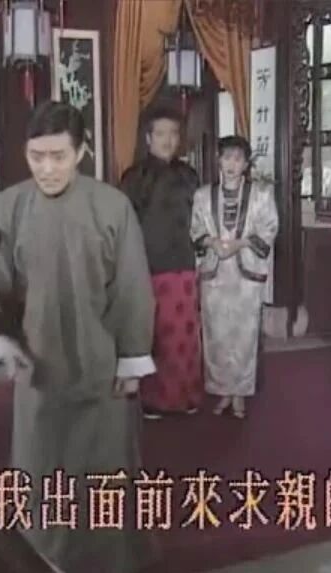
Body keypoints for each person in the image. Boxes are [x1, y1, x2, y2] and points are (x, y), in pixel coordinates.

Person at [0, 101, 156, 573]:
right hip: (38, 368)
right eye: (36, 156)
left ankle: (111, 560)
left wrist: (132, 357)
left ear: (81, 152)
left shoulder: (112, 206)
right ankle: (42, 559)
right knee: (40, 471)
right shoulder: (8, 206)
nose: (47, 168)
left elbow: (132, 287)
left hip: (102, 368)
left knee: (104, 474)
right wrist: (3, 338)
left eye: (58, 156)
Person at [118, 106, 203, 420]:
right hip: (149, 267)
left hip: (186, 263)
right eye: (161, 133)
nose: (168, 140)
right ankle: (155, 399)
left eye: (173, 134)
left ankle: (187, 394)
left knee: (187, 334)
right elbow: (124, 225)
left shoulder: (189, 175)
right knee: (157, 335)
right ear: (148, 138)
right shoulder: (134, 177)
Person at [190, 135, 279, 419]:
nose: (231, 164)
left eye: (238, 159)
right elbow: (195, 229)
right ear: (218, 160)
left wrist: (240, 244)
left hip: (245, 274)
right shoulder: (203, 195)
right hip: (215, 274)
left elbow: (269, 228)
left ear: (246, 164)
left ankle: (240, 392)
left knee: (244, 335)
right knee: (216, 334)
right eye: (226, 157)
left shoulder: (262, 194)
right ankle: (222, 391)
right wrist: (212, 242)